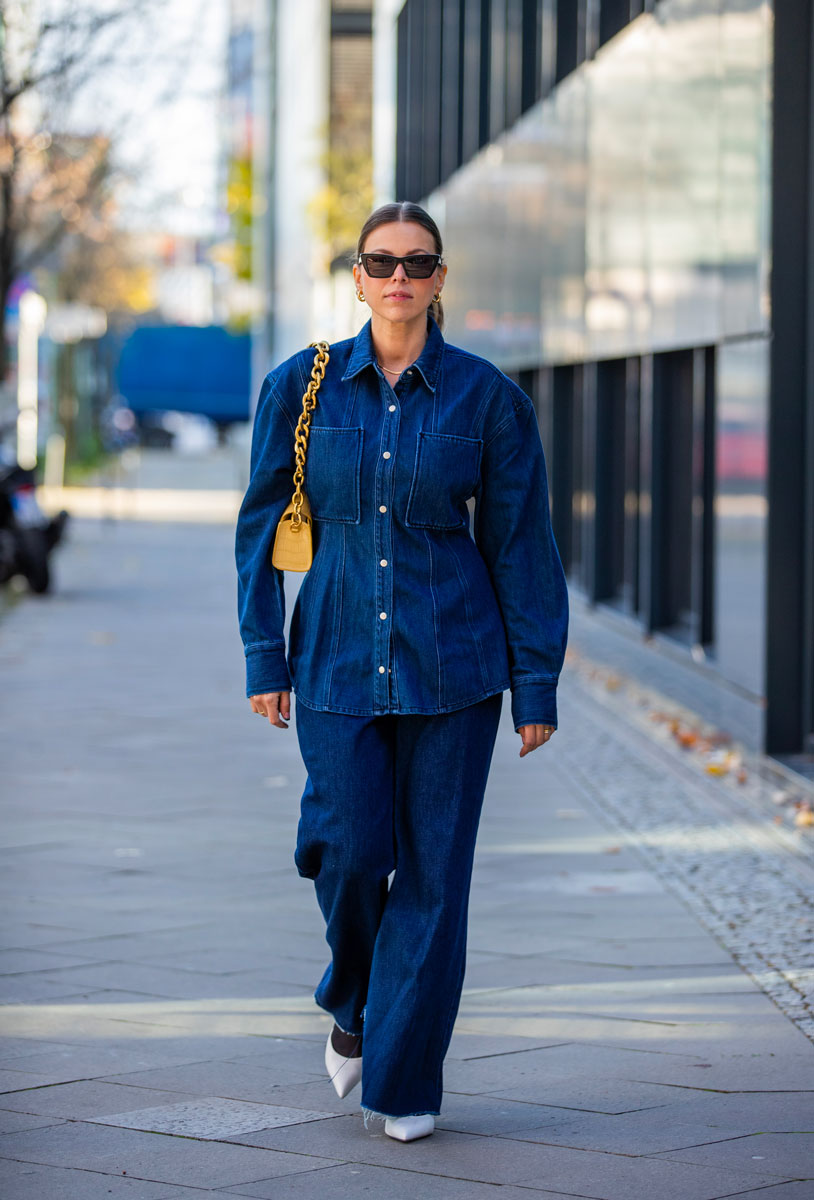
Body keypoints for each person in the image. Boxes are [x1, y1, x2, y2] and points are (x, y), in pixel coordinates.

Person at [235, 201, 569, 1143]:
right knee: (345, 848)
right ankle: (352, 991)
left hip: (456, 670)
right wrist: (266, 652)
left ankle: (407, 1082)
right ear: (356, 275)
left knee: (432, 881)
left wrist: (534, 681)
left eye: (417, 264)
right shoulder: (299, 391)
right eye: (381, 262)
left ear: (440, 277)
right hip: (335, 659)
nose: (399, 278)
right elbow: (260, 530)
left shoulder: (488, 399)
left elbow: (520, 546)